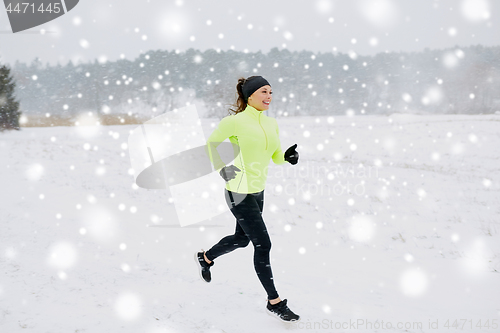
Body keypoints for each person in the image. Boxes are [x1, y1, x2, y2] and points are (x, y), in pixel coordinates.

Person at [195, 75, 301, 322]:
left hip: (257, 190)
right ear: (249, 95)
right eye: (264, 92)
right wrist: (222, 167)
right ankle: (274, 301)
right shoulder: (235, 122)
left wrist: (287, 156)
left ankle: (206, 257)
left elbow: (274, 155)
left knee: (242, 240)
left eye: (271, 92)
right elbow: (212, 144)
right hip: (238, 190)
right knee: (263, 244)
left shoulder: (271, 123)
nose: (268, 97)